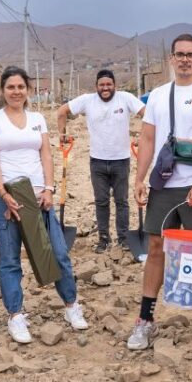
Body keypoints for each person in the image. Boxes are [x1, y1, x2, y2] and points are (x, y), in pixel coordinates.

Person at [127, 34, 192, 350]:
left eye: (190, 54)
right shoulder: (158, 96)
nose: (185, 59)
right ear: (172, 59)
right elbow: (147, 140)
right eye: (179, 55)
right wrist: (139, 178)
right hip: (164, 183)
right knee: (156, 246)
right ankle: (145, 320)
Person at [0, 66, 88, 343]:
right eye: (10, 87)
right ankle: (15, 316)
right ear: (3, 90)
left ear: (27, 90)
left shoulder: (37, 118)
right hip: (10, 197)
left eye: (21, 87)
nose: (16, 92)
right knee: (10, 259)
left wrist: (49, 189)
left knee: (58, 253)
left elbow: (47, 156)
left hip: (40, 197)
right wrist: (3, 194)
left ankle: (71, 306)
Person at [56, 69, 145, 253]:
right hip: (97, 161)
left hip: (121, 160)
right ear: (96, 86)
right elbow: (62, 111)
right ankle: (103, 239)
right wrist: (62, 133)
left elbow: (147, 113)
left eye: (109, 84)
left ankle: (123, 238)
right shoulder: (87, 101)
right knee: (101, 201)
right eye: (102, 85)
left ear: (115, 86)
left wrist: (144, 136)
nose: (105, 88)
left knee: (121, 201)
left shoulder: (125, 98)